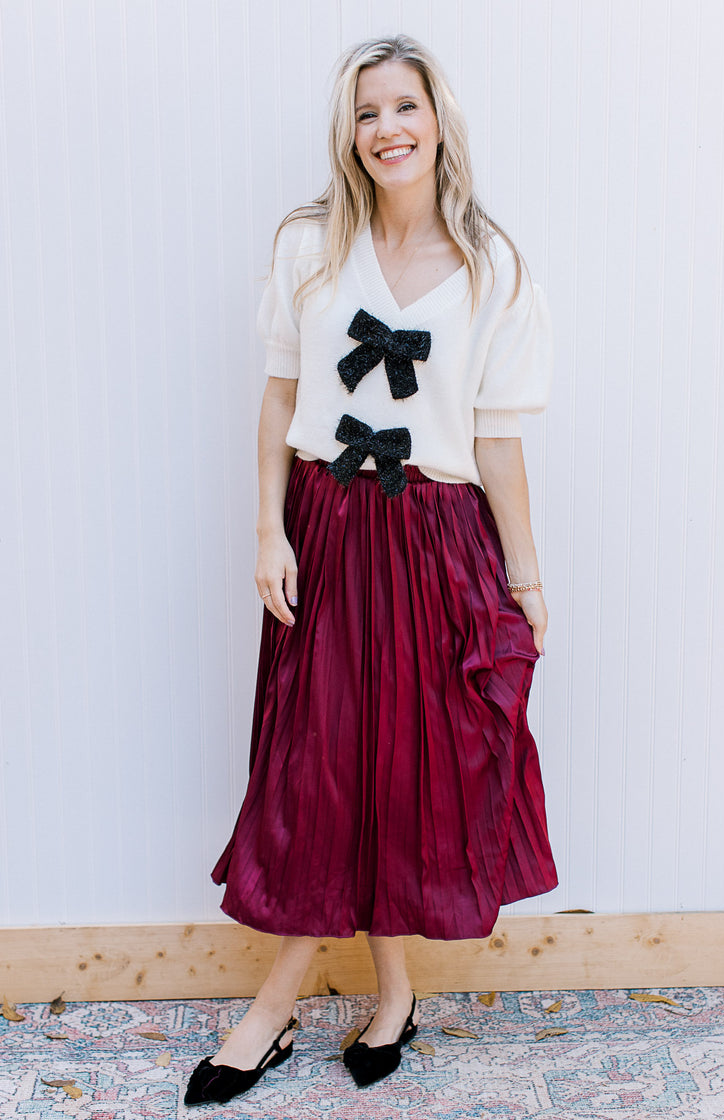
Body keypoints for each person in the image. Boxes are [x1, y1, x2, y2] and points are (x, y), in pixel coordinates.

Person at [184, 32, 558, 1106]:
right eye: (364, 113)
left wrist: (525, 582)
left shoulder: (495, 269)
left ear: (437, 118)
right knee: (320, 768)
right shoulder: (309, 244)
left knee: (402, 771)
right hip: (328, 523)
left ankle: (377, 996)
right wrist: (269, 529)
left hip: (437, 539)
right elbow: (274, 399)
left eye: (402, 107)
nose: (385, 129)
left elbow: (494, 441)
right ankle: (283, 1003)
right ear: (347, 135)